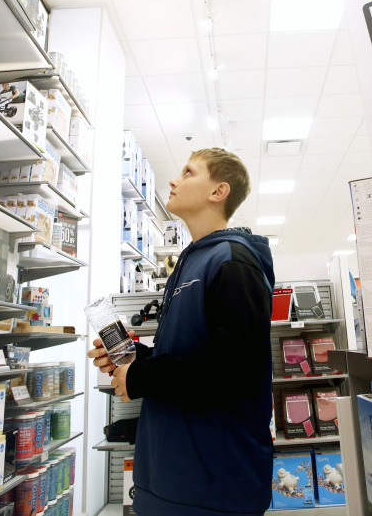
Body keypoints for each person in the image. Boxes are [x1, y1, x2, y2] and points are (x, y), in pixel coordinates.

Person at [89, 148, 275, 516]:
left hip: (213, 487)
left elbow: (233, 368)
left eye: (189, 172)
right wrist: (133, 358)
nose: (174, 180)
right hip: (169, 478)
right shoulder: (191, 263)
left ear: (218, 192)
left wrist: (141, 375)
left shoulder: (234, 261)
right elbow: (188, 355)